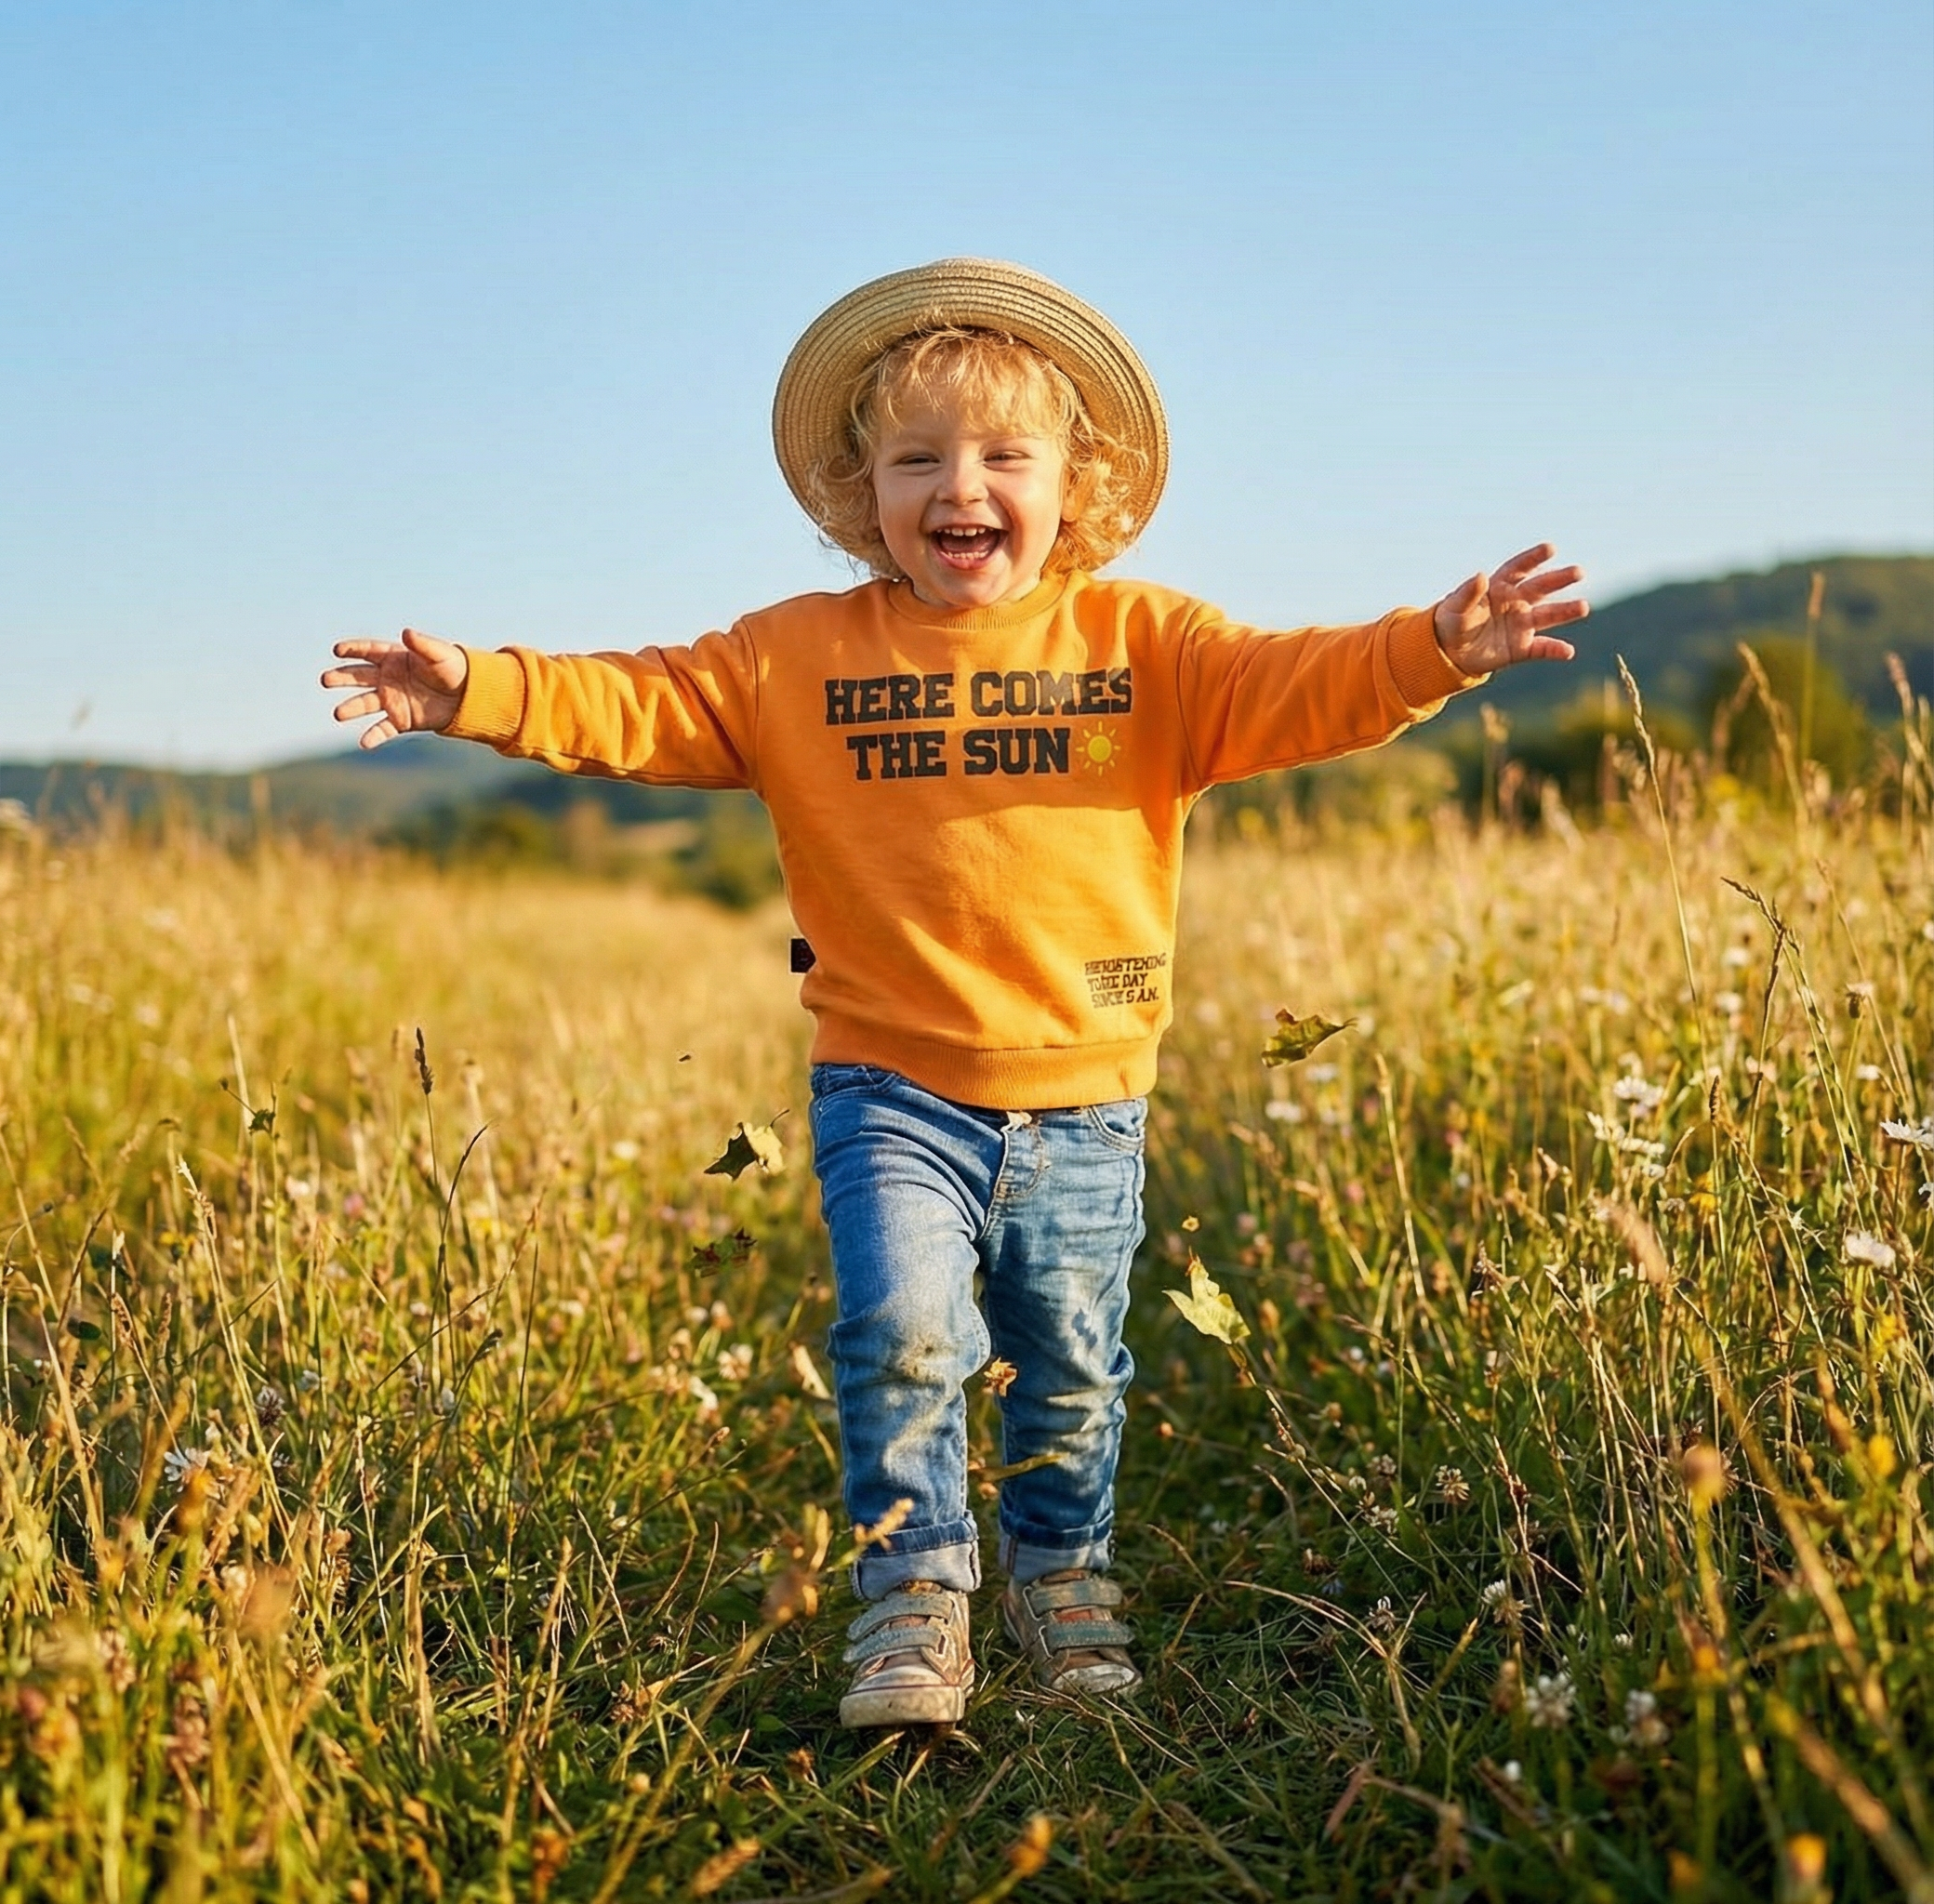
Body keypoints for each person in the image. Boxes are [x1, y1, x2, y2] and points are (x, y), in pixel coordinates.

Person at [322, 258, 1586, 1728]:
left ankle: (1062, 1580)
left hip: (1086, 1094)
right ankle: (914, 1599)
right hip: (888, 1083)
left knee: (1067, 1362)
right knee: (903, 1330)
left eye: (1001, 455)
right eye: (916, 458)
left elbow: (1301, 680)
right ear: (866, 492)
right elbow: (639, 703)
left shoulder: (1146, 645)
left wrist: (1431, 649)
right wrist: (476, 685)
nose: (957, 485)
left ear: (1075, 483)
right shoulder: (795, 652)